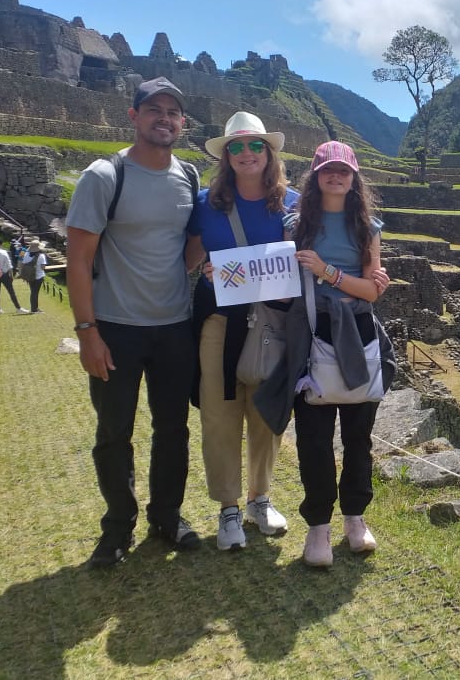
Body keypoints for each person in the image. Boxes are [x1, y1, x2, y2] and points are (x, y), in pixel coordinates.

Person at [65, 76, 201, 568]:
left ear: (182, 123)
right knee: (113, 431)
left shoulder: (189, 177)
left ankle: (166, 515)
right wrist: (87, 333)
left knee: (173, 428)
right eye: (154, 110)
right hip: (115, 326)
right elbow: (77, 259)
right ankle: (117, 526)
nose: (164, 118)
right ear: (134, 116)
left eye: (173, 112)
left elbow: (185, 253)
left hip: (173, 326)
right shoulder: (104, 176)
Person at [185, 112, 299, 551]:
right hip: (219, 320)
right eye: (237, 147)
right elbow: (190, 260)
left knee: (265, 414)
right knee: (219, 412)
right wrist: (208, 270)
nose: (246, 153)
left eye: (255, 145)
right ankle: (228, 506)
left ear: (269, 153)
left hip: (272, 320)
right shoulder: (205, 204)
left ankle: (260, 497)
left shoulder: (292, 203)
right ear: (226, 156)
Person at [288, 141, 391, 568]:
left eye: (343, 171)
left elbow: (372, 290)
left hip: (356, 334)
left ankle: (355, 518)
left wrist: (328, 273)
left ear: (354, 180)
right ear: (315, 177)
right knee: (313, 437)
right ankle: (318, 528)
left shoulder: (367, 228)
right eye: (328, 170)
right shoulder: (295, 226)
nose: (336, 177)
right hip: (309, 332)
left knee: (357, 435)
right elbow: (273, 274)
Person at [0, 238, 27, 314]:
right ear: (0, 244)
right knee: (11, 291)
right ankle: (18, 308)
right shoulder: (3, 252)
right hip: (4, 274)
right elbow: (9, 264)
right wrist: (11, 274)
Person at [19, 239, 48, 313]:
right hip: (38, 276)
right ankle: (34, 309)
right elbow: (43, 267)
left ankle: (34, 308)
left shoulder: (26, 254)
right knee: (35, 293)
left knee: (33, 291)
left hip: (29, 276)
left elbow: (23, 264)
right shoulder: (41, 256)